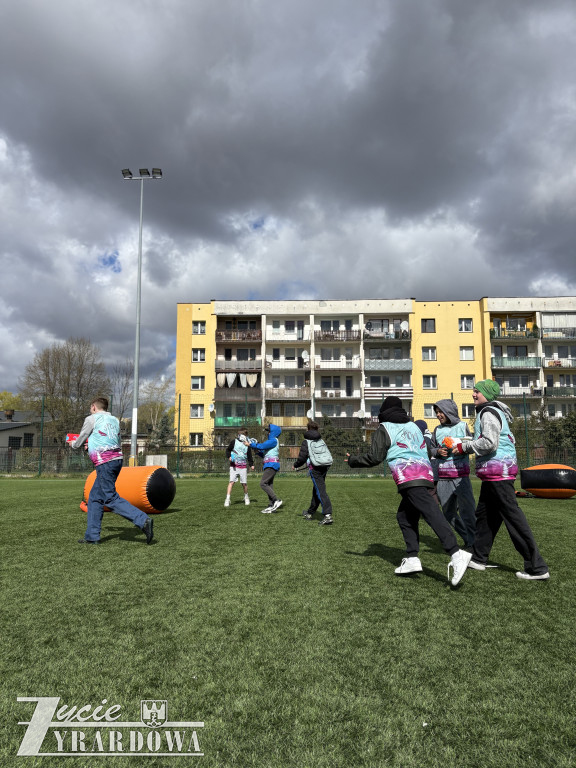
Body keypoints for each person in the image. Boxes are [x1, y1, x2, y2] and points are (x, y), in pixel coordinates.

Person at [346, 396, 471, 586]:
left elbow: (375, 457)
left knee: (431, 513)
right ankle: (412, 559)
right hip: (426, 474)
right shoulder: (413, 426)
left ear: (383, 411)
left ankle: (455, 553)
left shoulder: (385, 428)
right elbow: (427, 448)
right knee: (404, 517)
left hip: (408, 476)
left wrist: (353, 460)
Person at [449, 380, 550, 580]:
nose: (473, 394)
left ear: (486, 394)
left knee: (513, 518)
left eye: (477, 391)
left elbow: (489, 442)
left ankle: (537, 567)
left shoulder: (488, 413)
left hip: (498, 472)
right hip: (494, 472)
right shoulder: (490, 412)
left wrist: (464, 447)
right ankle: (478, 558)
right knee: (485, 516)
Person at [69, 397, 154, 545]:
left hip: (105, 462)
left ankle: (143, 520)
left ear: (94, 407)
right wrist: (92, 445)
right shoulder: (114, 420)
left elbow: (81, 438)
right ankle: (92, 536)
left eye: (91, 408)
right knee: (95, 498)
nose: (90, 410)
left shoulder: (91, 419)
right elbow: (113, 440)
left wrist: (73, 444)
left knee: (109, 498)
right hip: (116, 459)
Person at [428, 400, 476, 549]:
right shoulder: (437, 430)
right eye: (436, 412)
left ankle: (475, 543)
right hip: (443, 477)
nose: (438, 415)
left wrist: (462, 448)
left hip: (461, 477)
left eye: (440, 411)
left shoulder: (463, 426)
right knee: (448, 513)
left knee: (468, 511)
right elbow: (430, 449)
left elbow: (473, 446)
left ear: (449, 411)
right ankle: (467, 538)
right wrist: (437, 452)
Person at [293, 421, 333, 526]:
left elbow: (302, 457)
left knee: (320, 491)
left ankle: (328, 515)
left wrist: (296, 465)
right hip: (325, 466)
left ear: (308, 429)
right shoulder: (321, 440)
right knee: (317, 490)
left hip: (315, 469)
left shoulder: (306, 441)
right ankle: (310, 512)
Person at [252, 423, 283, 513]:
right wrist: (257, 452)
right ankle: (271, 505)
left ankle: (276, 500)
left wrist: (251, 444)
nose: (267, 433)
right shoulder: (271, 442)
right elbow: (263, 453)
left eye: (268, 431)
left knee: (263, 483)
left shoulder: (273, 440)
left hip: (271, 465)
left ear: (273, 432)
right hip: (270, 464)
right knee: (269, 485)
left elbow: (261, 446)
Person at [224, 429, 255, 507]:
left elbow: (249, 455)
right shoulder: (234, 442)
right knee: (231, 482)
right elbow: (228, 450)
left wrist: (251, 464)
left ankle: (246, 497)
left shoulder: (247, 444)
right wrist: (229, 457)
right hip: (234, 466)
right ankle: (227, 499)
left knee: (244, 483)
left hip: (243, 467)